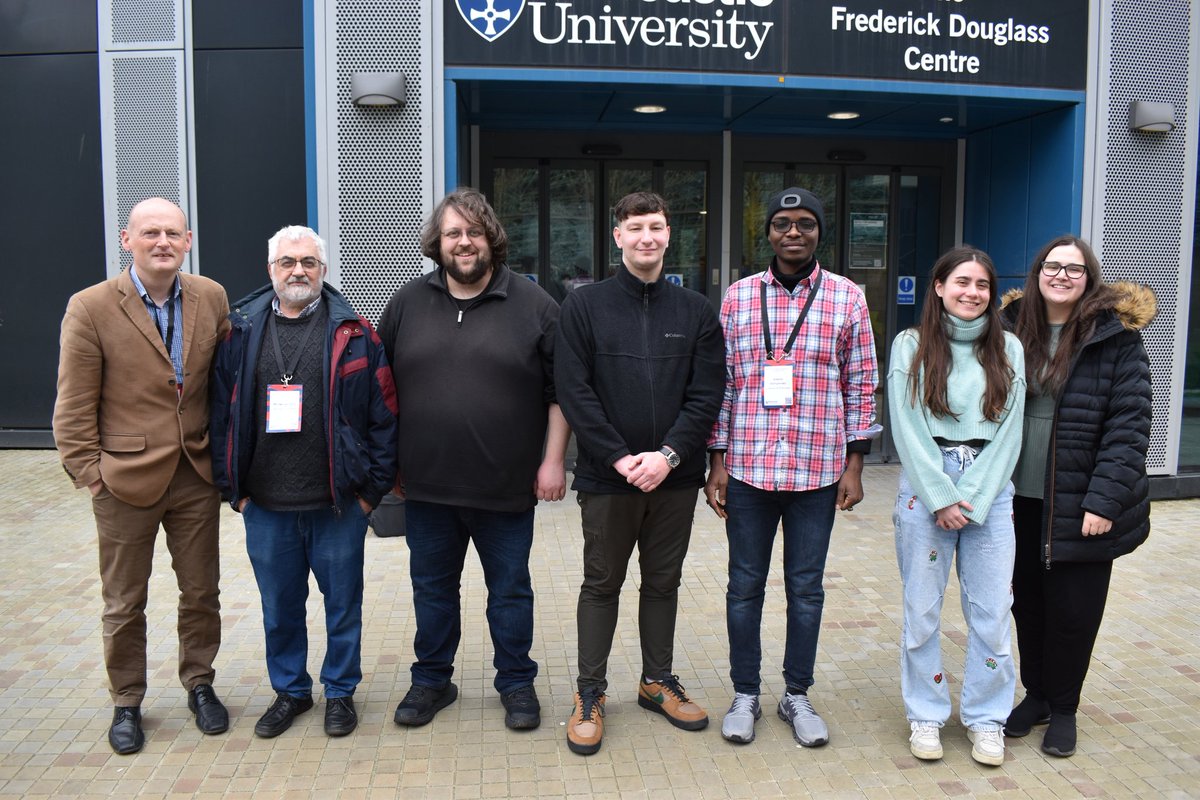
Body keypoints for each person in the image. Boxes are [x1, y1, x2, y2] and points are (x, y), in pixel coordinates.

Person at [377, 188, 569, 732]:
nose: (464, 242)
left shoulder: (535, 306)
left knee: (509, 591)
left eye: (474, 232)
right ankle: (432, 679)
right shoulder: (406, 304)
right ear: (438, 243)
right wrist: (384, 466)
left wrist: (553, 462)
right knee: (432, 590)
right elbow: (380, 392)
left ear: (492, 239)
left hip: (506, 487)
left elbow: (562, 394)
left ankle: (516, 682)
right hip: (426, 488)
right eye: (453, 233)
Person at [52, 197, 231, 754]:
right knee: (124, 600)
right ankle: (126, 700)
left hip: (194, 473)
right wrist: (91, 475)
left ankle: (199, 683)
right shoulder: (91, 307)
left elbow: (224, 384)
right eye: (150, 232)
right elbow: (73, 404)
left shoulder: (212, 296)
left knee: (201, 592)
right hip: (122, 479)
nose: (162, 242)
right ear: (126, 240)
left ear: (189, 239)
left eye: (172, 233)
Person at [704, 187, 879, 747]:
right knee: (743, 588)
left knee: (806, 590)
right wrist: (717, 461)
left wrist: (855, 465)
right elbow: (724, 384)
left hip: (817, 471)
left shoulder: (847, 298)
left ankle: (796, 695)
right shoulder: (736, 298)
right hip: (750, 468)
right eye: (783, 224)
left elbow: (861, 386)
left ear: (819, 232)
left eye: (805, 223)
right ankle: (746, 693)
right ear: (769, 233)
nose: (794, 233)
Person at [209, 225, 398, 739]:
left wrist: (369, 496)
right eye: (288, 262)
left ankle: (340, 693)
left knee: (343, 607)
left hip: (337, 506)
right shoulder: (239, 330)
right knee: (280, 608)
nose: (299, 271)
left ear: (324, 270)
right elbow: (220, 412)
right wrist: (235, 491)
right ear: (270, 270)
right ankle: (290, 691)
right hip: (265, 505)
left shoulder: (356, 332)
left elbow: (384, 416)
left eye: (309, 263)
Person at [555, 191, 725, 755]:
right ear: (618, 236)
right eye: (636, 227)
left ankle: (656, 681)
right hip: (610, 479)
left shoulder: (697, 311)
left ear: (669, 235)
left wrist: (669, 456)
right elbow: (573, 391)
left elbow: (706, 395)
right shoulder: (583, 307)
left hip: (673, 480)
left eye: (656, 226)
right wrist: (619, 457)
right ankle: (589, 693)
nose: (646, 236)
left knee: (663, 582)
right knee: (601, 583)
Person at [1000, 235, 1154, 758]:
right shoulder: (1008, 329)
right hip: (1016, 497)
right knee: (1026, 605)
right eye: (1052, 265)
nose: (1061, 275)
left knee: (1074, 610)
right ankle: (1036, 695)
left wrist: (1103, 502)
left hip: (1082, 501)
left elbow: (1129, 429)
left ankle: (1064, 708)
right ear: (1037, 271)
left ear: (1088, 279)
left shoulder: (1115, 339)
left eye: (1074, 269)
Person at [888, 246, 1025, 766]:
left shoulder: (1009, 348)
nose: (972, 293)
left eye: (983, 285)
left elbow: (1010, 431)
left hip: (991, 488)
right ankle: (925, 712)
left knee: (991, 613)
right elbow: (907, 423)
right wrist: (941, 496)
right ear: (939, 287)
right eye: (961, 282)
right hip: (926, 487)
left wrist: (976, 499)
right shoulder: (911, 345)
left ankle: (987, 718)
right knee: (921, 612)